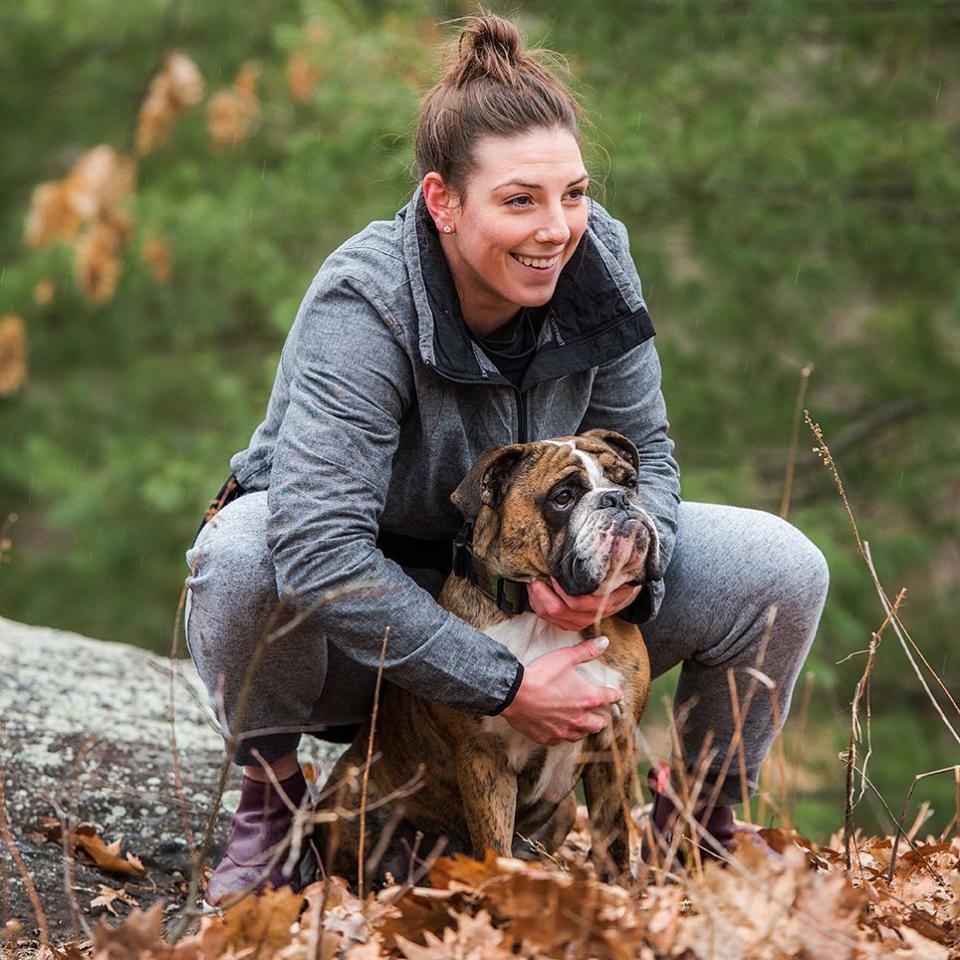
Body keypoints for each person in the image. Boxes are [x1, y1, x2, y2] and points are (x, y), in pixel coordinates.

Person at [184, 13, 829, 905]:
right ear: (443, 202)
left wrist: (624, 582)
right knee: (246, 552)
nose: (557, 228)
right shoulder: (363, 302)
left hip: (546, 592)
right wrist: (499, 683)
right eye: (520, 200)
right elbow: (318, 543)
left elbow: (655, 457)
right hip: (360, 642)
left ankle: (701, 830)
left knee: (782, 565)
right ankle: (273, 811)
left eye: (574, 193)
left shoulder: (598, 258)